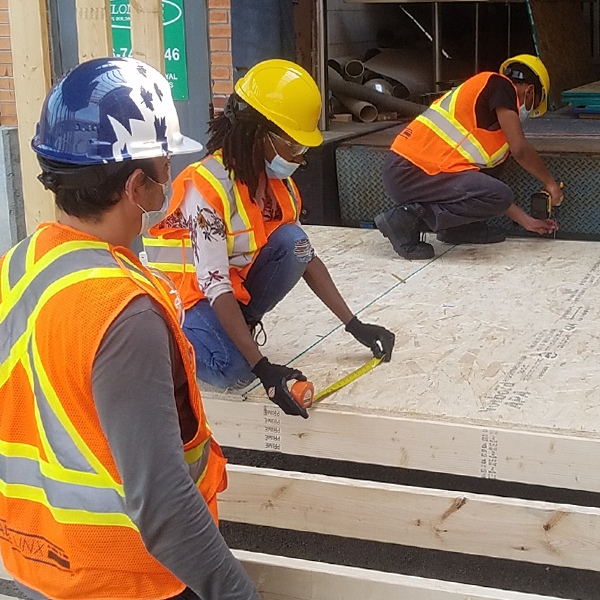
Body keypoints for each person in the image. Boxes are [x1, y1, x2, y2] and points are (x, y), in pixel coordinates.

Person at [0, 57, 259, 600]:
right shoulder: (122, 310)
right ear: (137, 186)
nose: (168, 184)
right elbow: (163, 505)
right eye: (164, 171)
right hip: (127, 580)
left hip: (35, 567)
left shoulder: (19, 266)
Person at [143, 59, 395, 419]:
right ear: (260, 134)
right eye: (294, 146)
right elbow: (213, 286)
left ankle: (233, 330)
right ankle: (169, 339)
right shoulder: (208, 189)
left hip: (229, 290)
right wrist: (265, 370)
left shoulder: (276, 181)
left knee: (293, 241)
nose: (300, 158)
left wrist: (354, 325)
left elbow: (304, 255)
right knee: (234, 371)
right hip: (184, 298)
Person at [374, 54, 562, 260]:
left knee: (497, 192)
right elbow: (521, 149)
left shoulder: (496, 140)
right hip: (408, 170)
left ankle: (459, 228)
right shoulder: (500, 85)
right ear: (530, 91)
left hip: (421, 175)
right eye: (533, 105)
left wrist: (527, 222)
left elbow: (486, 191)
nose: (526, 113)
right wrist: (550, 183)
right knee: (501, 193)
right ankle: (403, 220)